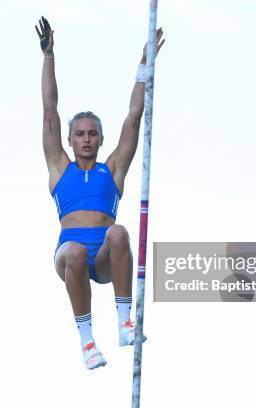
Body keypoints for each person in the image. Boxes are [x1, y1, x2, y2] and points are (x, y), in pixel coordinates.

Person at [35, 16, 164, 370]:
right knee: (75, 251)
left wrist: (144, 65)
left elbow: (134, 117)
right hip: (70, 252)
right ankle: (88, 342)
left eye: (93, 133)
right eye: (80, 133)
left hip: (107, 257)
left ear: (101, 139)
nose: (87, 138)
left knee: (120, 232)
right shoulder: (61, 169)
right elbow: (50, 111)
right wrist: (49, 57)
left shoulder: (114, 169)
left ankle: (125, 323)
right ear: (70, 139)